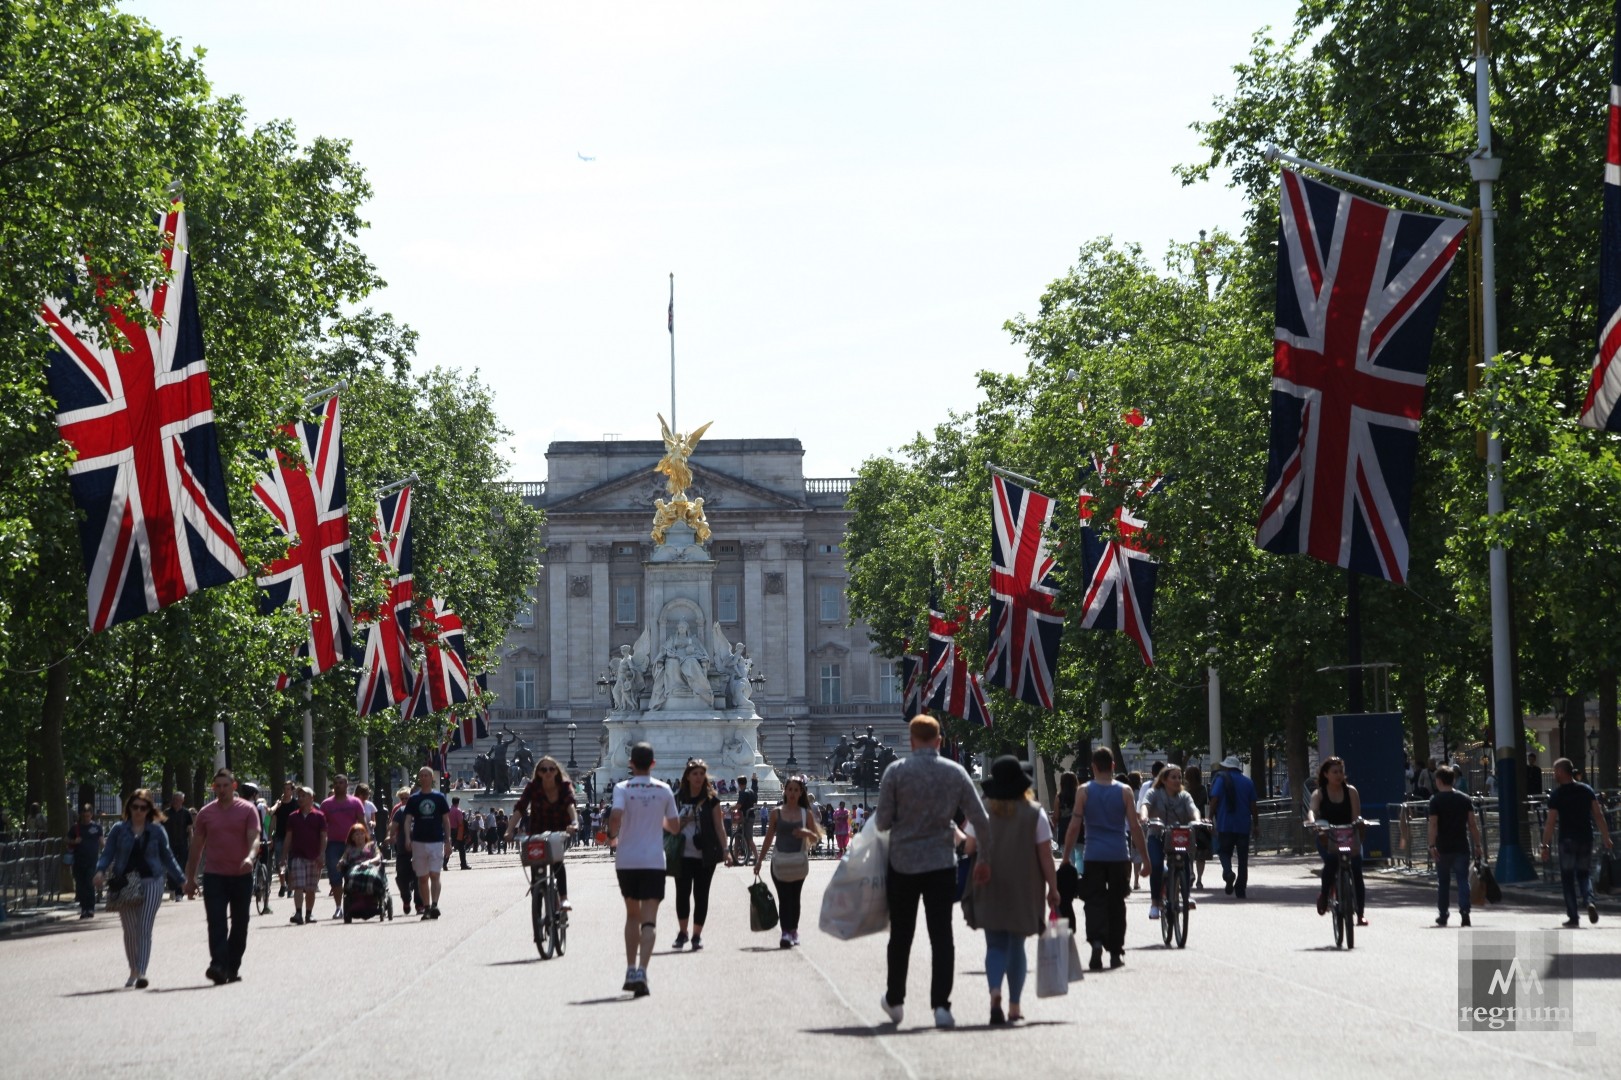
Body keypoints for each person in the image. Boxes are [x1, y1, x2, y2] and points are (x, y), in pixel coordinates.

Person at [875, 714, 990, 1030]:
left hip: (903, 863)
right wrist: (983, 858)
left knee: (901, 935)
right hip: (941, 862)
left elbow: (882, 821)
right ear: (939, 742)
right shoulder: (955, 773)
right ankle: (941, 1005)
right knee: (942, 936)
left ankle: (896, 999)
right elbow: (980, 819)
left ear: (911, 741)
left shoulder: (896, 772)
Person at [962, 756, 1061, 1025]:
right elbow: (1044, 855)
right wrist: (1053, 888)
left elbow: (969, 848)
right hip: (1024, 884)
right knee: (1017, 944)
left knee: (994, 944)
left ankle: (995, 992)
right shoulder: (1034, 812)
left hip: (988, 880)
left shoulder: (982, 811)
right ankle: (1015, 1005)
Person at [1062, 747, 1150, 971]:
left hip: (1094, 855)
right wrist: (1146, 860)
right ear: (1113, 766)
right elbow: (1134, 826)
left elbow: (1074, 826)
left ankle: (1097, 942)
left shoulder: (1084, 791)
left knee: (1094, 901)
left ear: (1093, 767)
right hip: (1119, 855)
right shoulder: (1125, 791)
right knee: (1116, 904)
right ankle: (1115, 950)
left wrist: (1065, 856)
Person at [607, 742, 680, 997]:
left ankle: (629, 968)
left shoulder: (622, 788)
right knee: (649, 920)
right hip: (653, 861)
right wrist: (657, 820)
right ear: (653, 764)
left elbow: (616, 816)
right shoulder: (664, 790)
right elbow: (674, 826)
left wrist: (612, 835)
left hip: (627, 859)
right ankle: (642, 972)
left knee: (631, 916)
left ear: (630, 764)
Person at [93, 789, 185, 988]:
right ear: (129, 808)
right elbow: (107, 853)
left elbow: (168, 857)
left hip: (152, 880)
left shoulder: (157, 830)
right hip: (124, 882)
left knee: (144, 927)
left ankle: (141, 972)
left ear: (149, 809)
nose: (138, 811)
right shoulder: (119, 829)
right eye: (135, 807)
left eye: (143, 808)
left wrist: (182, 880)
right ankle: (133, 969)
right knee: (129, 930)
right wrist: (99, 871)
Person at [184, 769, 262, 985]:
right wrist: (190, 878)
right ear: (213, 787)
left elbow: (254, 837)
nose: (221, 790)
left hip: (241, 875)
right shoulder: (206, 813)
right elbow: (197, 846)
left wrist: (250, 856)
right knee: (216, 921)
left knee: (240, 923)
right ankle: (218, 964)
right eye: (217, 786)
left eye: (225, 785)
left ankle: (232, 965)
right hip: (214, 875)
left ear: (234, 786)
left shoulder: (247, 810)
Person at [1540, 757, 1616, 927]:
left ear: (1561, 771)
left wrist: (1544, 845)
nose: (1554, 774)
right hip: (1585, 838)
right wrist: (1606, 837)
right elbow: (1598, 814)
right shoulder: (1586, 790)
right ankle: (1589, 901)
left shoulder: (1557, 795)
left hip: (1567, 840)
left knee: (1567, 878)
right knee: (1584, 873)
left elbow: (1550, 822)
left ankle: (1573, 916)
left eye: (1555, 771)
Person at [756, 773, 820, 949]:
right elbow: (769, 838)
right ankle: (785, 932)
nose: (792, 793)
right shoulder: (776, 813)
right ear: (785, 791)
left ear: (801, 793)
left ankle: (793, 930)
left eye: (796, 790)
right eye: (789, 789)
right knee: (784, 898)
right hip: (779, 861)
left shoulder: (805, 813)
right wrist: (759, 861)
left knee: (795, 897)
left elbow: (815, 837)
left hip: (798, 861)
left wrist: (806, 833)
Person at [672, 758, 730, 949]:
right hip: (681, 853)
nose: (698, 777)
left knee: (701, 894)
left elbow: (719, 827)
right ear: (687, 776)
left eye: (701, 773)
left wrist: (726, 850)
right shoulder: (677, 797)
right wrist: (682, 822)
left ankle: (696, 935)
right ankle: (683, 932)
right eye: (694, 773)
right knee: (682, 894)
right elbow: (666, 825)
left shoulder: (712, 799)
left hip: (705, 853)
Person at [511, 756, 579, 909]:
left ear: (556, 771)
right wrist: (509, 831)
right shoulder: (532, 787)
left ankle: (563, 898)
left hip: (560, 830)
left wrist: (574, 823)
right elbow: (520, 808)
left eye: (551, 769)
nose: (548, 772)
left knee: (557, 862)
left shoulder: (564, 786)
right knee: (536, 867)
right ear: (539, 773)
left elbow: (570, 805)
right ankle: (538, 904)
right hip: (537, 830)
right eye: (543, 769)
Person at [1307, 756, 1367, 927]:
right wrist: (1313, 823)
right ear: (1326, 774)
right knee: (1332, 862)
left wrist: (1360, 824)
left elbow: (1356, 816)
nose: (1339, 775)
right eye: (1335, 772)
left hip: (1349, 836)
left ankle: (1360, 914)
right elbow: (1312, 810)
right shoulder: (1319, 793)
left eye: (1341, 771)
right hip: (1329, 837)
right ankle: (1325, 895)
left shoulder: (1351, 791)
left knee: (1356, 868)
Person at [1142, 765, 1201, 921]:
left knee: (1186, 861)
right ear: (1164, 779)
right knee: (1156, 865)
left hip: (1178, 835)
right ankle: (1155, 903)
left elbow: (1193, 809)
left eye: (1179, 777)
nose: (1177, 780)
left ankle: (1186, 896)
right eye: (1173, 777)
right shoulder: (1153, 793)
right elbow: (1145, 806)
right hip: (1157, 834)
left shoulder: (1184, 796)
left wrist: (1197, 819)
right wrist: (1144, 817)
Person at [1427, 764, 1484, 927]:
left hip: (1443, 847)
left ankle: (1443, 914)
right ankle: (1465, 911)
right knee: (1462, 880)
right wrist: (1478, 844)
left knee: (1443, 882)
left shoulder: (1435, 800)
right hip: (1461, 845)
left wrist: (1431, 845)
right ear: (1453, 780)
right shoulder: (1464, 799)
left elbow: (1433, 824)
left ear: (1438, 781)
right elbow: (1473, 824)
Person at [403, 767, 453, 919]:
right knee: (422, 877)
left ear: (432, 778)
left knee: (435, 874)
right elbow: (407, 820)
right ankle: (426, 907)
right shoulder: (413, 799)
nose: (424, 778)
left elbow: (446, 820)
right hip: (418, 841)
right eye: (422, 776)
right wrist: (407, 837)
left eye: (426, 775)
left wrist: (448, 840)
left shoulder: (439, 798)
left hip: (436, 841)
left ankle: (435, 905)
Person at [1209, 755, 1258, 898]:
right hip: (1243, 825)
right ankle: (1241, 889)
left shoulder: (1221, 780)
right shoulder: (1248, 782)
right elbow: (1253, 806)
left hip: (1225, 823)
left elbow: (1214, 799)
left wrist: (1209, 818)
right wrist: (1256, 824)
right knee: (1243, 859)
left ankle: (1228, 872)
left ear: (1226, 767)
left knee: (1224, 851)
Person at [320, 775, 366, 920]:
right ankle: (339, 907)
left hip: (352, 844)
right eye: (336, 783)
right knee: (335, 875)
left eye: (341, 783)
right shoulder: (326, 804)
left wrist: (366, 842)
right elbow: (322, 827)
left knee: (353, 874)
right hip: (333, 844)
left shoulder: (355, 802)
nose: (338, 785)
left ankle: (353, 903)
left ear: (346, 785)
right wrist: (321, 848)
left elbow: (362, 822)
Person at [280, 786, 326, 925]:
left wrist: (322, 854)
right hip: (297, 856)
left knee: (311, 888)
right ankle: (298, 913)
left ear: (312, 798)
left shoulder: (319, 816)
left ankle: (309, 914)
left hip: (314, 856)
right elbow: (288, 837)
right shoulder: (293, 817)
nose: (300, 798)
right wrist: (283, 856)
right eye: (299, 796)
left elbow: (323, 836)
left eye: (303, 796)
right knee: (298, 886)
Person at [66, 804, 104, 918]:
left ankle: (90, 908)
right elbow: (66, 839)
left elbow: (102, 841)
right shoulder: (76, 828)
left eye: (88, 816)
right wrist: (74, 841)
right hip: (78, 861)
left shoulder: (97, 827)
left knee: (89, 883)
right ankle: (83, 908)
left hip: (92, 861)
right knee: (81, 885)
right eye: (84, 816)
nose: (86, 818)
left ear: (91, 815)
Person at [387, 787, 419, 915]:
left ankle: (420, 903)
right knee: (401, 877)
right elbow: (392, 826)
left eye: (407, 798)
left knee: (419, 877)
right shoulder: (399, 811)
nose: (405, 800)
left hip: (418, 847)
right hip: (403, 848)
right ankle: (406, 898)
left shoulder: (418, 810)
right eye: (403, 798)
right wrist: (390, 836)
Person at [162, 791, 193, 902]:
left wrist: (191, 843)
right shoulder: (166, 813)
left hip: (182, 845)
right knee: (170, 868)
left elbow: (190, 830)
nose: (176, 802)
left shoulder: (186, 813)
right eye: (175, 799)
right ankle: (172, 889)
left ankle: (179, 893)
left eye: (178, 800)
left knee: (180, 867)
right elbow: (160, 829)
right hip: (169, 845)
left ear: (182, 801)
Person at [1184, 765, 1210, 889]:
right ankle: (1199, 880)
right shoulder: (1202, 789)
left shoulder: (1184, 791)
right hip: (1201, 825)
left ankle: (1190, 873)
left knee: (1188, 852)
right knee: (1201, 854)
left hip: (1187, 824)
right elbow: (1204, 805)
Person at [269, 781, 297, 897]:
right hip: (280, 836)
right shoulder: (279, 805)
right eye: (284, 789)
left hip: (293, 837)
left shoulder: (295, 804)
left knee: (291, 864)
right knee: (280, 862)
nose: (286, 791)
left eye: (288, 789)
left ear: (292, 790)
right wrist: (270, 836)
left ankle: (290, 887)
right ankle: (282, 885)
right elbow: (273, 821)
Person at [733, 775, 758, 865]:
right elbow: (755, 800)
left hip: (745, 818)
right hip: (750, 816)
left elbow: (738, 805)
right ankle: (748, 857)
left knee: (748, 839)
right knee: (741, 837)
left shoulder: (742, 793)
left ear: (739, 784)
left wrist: (730, 809)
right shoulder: (751, 791)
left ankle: (756, 857)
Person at [447, 796, 469, 869]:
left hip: (449, 830)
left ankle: (444, 863)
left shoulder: (448, 810)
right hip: (457, 831)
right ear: (458, 802)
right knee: (462, 849)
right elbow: (460, 822)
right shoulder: (458, 810)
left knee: (449, 847)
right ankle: (463, 864)